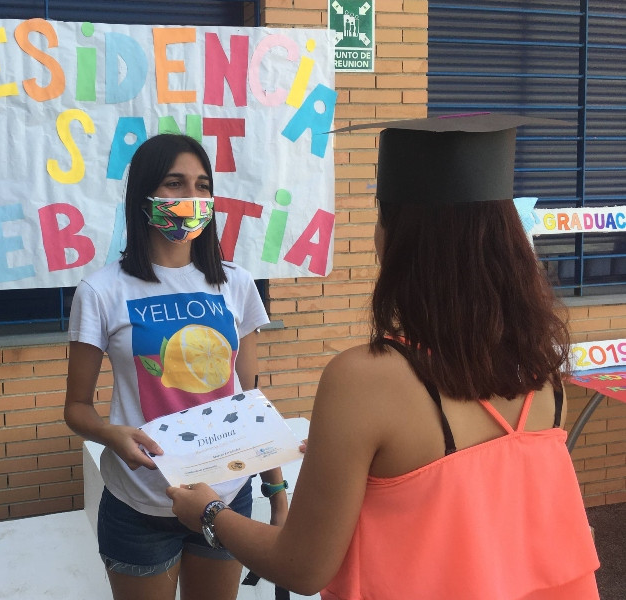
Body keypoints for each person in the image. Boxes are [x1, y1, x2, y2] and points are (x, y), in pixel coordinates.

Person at [168, 115, 601, 599]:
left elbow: (302, 567)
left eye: (381, 217)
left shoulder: (363, 381)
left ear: (400, 240)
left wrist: (208, 512)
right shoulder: (544, 369)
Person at [64, 133, 288, 600]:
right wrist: (111, 434)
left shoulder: (237, 284)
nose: (192, 199)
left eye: (202, 186)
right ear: (144, 194)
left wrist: (277, 493)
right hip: (141, 505)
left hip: (226, 497)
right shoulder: (102, 291)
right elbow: (77, 409)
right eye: (175, 184)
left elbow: (251, 401)